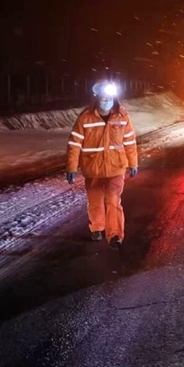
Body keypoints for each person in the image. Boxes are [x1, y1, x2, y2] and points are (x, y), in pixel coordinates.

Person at [65, 81, 139, 249]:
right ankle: (97, 228)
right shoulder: (85, 117)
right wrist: (71, 167)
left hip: (116, 167)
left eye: (109, 98)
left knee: (113, 200)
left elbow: (130, 142)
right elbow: (74, 143)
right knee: (95, 200)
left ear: (114, 98)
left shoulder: (122, 117)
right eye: (103, 98)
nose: (106, 101)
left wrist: (133, 163)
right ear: (97, 98)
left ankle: (115, 235)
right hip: (93, 168)